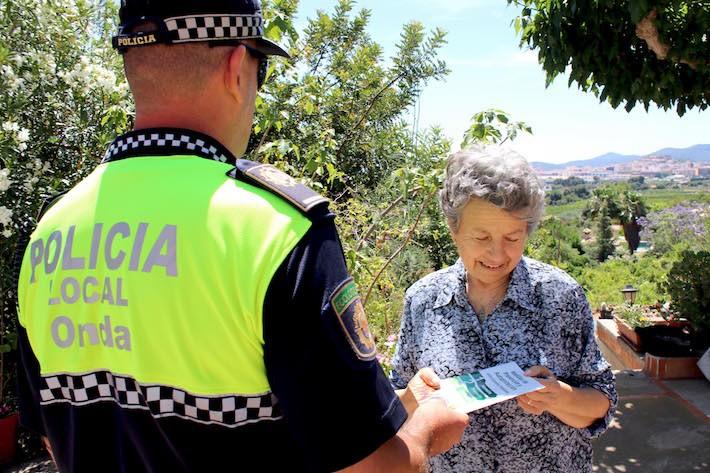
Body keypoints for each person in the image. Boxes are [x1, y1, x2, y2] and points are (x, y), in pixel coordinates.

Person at [15, 1, 468, 472]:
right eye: (261, 69)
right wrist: (426, 429)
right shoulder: (280, 230)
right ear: (236, 67)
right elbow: (372, 468)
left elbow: (55, 436)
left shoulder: (50, 231)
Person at [390, 147, 618, 473]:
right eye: (481, 237)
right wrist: (413, 398)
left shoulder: (560, 295)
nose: (497, 254)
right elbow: (394, 407)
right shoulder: (423, 300)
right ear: (454, 229)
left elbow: (601, 399)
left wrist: (557, 397)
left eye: (512, 238)